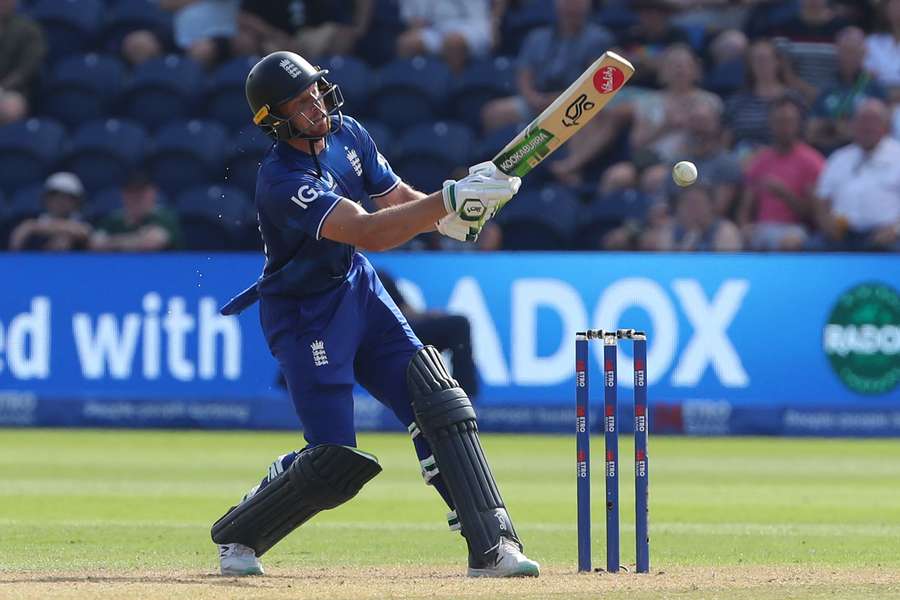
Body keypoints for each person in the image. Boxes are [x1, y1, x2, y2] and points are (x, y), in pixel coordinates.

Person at [209, 51, 537, 579]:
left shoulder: (349, 134)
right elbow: (371, 232)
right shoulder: (281, 179)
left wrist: (456, 214)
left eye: (314, 89)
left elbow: (397, 200)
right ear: (273, 119)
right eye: (298, 100)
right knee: (333, 461)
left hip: (359, 291)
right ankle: (240, 530)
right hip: (305, 315)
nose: (314, 102)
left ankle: (492, 546)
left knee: (438, 401)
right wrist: (448, 199)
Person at [480, 0, 613, 133]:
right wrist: (533, 98)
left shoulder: (599, 38)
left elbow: (593, 85)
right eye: (567, 2)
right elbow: (524, 74)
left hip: (576, 104)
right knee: (494, 113)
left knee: (588, 116)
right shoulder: (537, 37)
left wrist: (556, 100)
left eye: (577, 2)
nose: (572, 6)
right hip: (538, 100)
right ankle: (508, 153)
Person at [814, 98, 900, 251]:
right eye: (862, 121)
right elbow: (821, 199)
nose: (867, 127)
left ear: (885, 126)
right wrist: (826, 222)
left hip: (886, 236)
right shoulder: (838, 158)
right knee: (810, 246)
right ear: (853, 125)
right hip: (842, 235)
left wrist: (896, 230)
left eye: (873, 121)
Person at [740, 96, 825, 251]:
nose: (784, 127)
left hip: (796, 229)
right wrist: (744, 227)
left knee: (789, 242)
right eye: (779, 121)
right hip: (763, 227)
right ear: (770, 124)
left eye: (789, 121)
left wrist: (785, 194)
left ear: (798, 124)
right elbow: (746, 207)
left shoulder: (812, 162)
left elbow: (814, 214)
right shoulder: (760, 160)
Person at [807, 26, 887, 154]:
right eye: (845, 51)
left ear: (864, 53)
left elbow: (880, 131)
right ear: (837, 52)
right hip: (829, 158)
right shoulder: (827, 87)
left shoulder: (874, 87)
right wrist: (839, 127)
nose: (849, 56)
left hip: (866, 156)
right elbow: (811, 132)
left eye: (854, 51)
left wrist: (830, 129)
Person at [89, 171, 184, 251]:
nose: (136, 198)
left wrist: (111, 241)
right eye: (131, 192)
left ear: (153, 193)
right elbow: (95, 244)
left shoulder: (165, 217)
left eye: (141, 193)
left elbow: (151, 243)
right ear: (123, 195)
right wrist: (137, 238)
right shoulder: (113, 219)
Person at [395, 0, 493, 74]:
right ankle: (412, 93)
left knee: (452, 43)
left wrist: (495, 23)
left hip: (474, 24)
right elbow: (414, 16)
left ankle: (454, 90)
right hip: (435, 27)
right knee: (407, 43)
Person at [641, 184, 743, 252]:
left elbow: (728, 264)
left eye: (698, 203)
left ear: (711, 206)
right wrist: (689, 240)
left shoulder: (725, 231)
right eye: (688, 203)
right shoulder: (669, 230)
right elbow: (666, 263)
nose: (693, 209)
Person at [8, 173, 92, 251]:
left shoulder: (87, 220)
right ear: (45, 199)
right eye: (54, 195)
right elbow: (15, 245)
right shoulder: (28, 218)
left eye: (67, 197)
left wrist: (33, 227)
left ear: (77, 202)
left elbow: (84, 232)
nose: (60, 201)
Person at [0, 0, 46, 124]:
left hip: (11, 92)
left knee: (10, 108)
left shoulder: (28, 29)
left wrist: (3, 87)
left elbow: (27, 68)